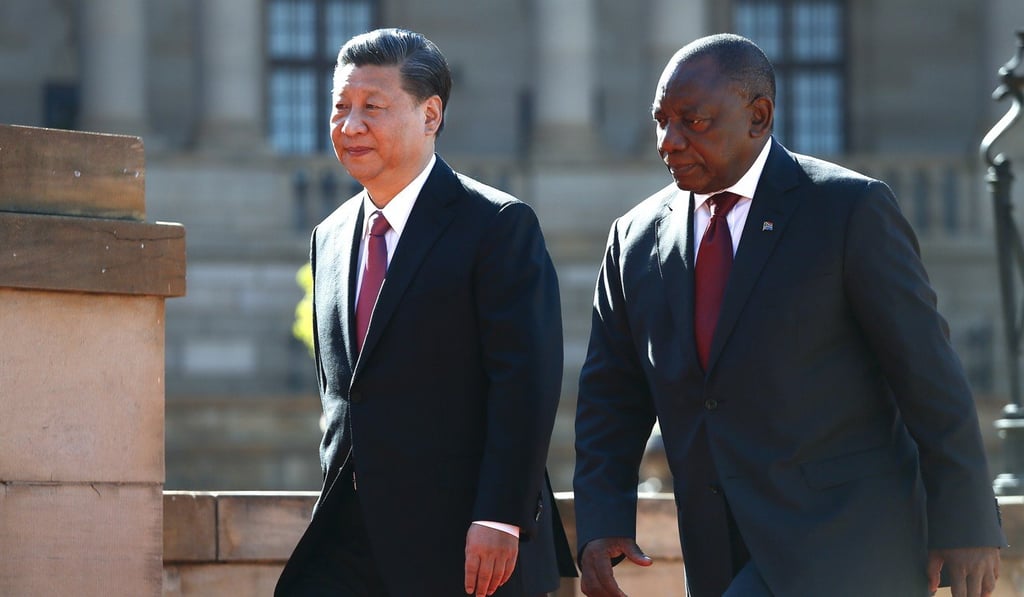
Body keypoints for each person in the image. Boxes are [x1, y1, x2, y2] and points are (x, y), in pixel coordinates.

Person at [572, 33, 1004, 597]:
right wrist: (602, 519)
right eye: (661, 121)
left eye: (693, 121)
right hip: (717, 548)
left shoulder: (848, 209)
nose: (668, 142)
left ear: (759, 116)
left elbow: (928, 374)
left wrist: (967, 520)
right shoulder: (632, 239)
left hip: (848, 542)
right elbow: (611, 395)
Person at [275, 28, 575, 597]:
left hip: (465, 546)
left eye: (372, 107)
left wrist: (500, 515)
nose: (350, 125)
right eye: (340, 107)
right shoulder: (329, 236)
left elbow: (526, 383)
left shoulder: (496, 224)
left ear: (430, 115)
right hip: (349, 547)